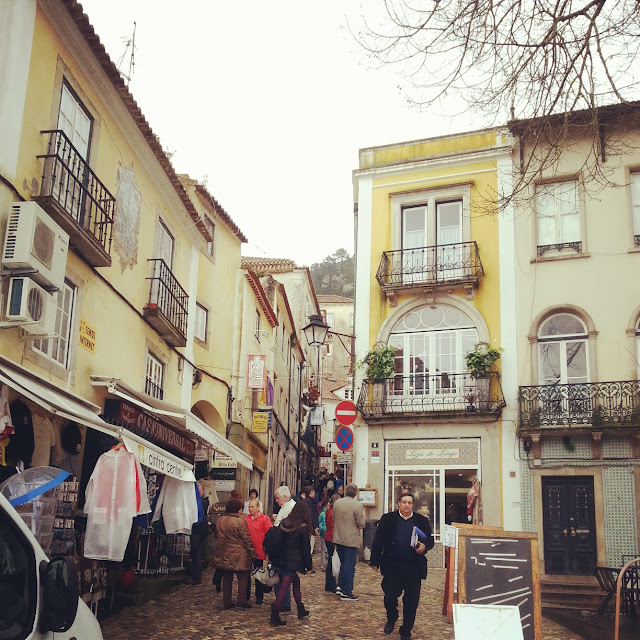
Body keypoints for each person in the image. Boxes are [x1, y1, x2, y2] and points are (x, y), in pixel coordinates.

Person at [370, 492, 435, 640]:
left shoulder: (421, 521)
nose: (406, 505)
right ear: (399, 503)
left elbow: (429, 540)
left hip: (413, 567)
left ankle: (406, 630)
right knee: (390, 596)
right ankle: (392, 617)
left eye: (409, 503)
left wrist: (424, 546)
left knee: (411, 601)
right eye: (404, 502)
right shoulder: (388, 519)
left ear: (413, 505)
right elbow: (378, 540)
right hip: (393, 566)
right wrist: (374, 561)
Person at [269, 501, 313, 626]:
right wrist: (309, 567)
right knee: (284, 587)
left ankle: (300, 609)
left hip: (281, 559)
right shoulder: (302, 528)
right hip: (292, 562)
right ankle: (275, 615)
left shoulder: (284, 523)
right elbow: (305, 550)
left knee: (296, 582)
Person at [211, 497, 256, 609]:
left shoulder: (221, 520)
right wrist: (252, 553)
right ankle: (241, 600)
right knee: (243, 576)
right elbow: (246, 538)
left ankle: (227, 601)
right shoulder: (240, 521)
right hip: (239, 553)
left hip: (224, 551)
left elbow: (217, 535)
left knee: (227, 577)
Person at [332, 483, 365, 601]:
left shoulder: (337, 503)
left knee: (343, 563)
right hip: (351, 539)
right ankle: (347, 591)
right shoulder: (357, 505)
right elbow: (361, 523)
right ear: (355, 493)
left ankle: (340, 586)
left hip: (338, 537)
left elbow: (333, 519)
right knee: (349, 565)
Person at [272, 485, 296, 610]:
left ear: (285, 497)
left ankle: (283, 603)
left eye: (277, 498)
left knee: (282, 576)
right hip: (281, 546)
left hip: (283, 547)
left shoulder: (290, 508)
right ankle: (281, 601)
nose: (276, 500)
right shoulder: (285, 507)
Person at [245, 498, 272, 604]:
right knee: (246, 574)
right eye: (249, 507)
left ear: (258, 507)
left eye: (253, 507)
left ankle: (259, 596)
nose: (250, 509)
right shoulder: (246, 519)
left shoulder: (265, 519)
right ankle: (245, 595)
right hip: (247, 551)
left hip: (259, 551)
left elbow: (269, 534)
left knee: (258, 575)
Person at [187, 479, 210, 585]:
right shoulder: (198, 501)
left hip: (199, 529)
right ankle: (195, 575)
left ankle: (196, 577)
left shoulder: (203, 501)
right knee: (195, 552)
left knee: (196, 552)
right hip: (197, 529)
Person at [323, 494, 339, 593]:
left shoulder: (329, 511)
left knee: (330, 561)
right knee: (332, 562)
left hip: (328, 536)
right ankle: (331, 583)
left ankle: (329, 583)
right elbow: (333, 526)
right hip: (331, 537)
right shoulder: (333, 512)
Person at [317, 496, 329, 568]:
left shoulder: (331, 513)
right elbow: (319, 523)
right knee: (323, 548)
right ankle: (322, 562)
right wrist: (322, 528)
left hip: (329, 533)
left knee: (328, 549)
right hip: (323, 533)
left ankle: (328, 562)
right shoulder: (322, 514)